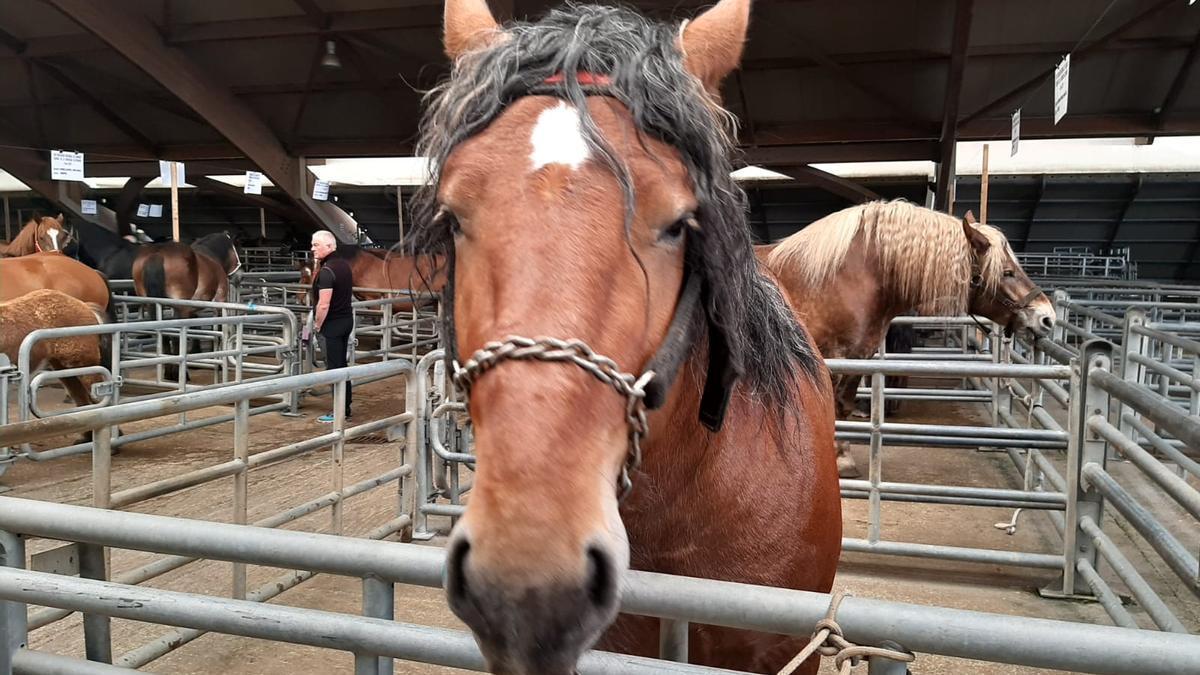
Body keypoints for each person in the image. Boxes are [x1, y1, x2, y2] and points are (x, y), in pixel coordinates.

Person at [310, 230, 354, 422]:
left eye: (316, 245)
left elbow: (324, 304)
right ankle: (345, 406)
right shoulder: (343, 265)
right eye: (312, 244)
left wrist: (317, 325)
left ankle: (339, 411)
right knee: (342, 365)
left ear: (329, 246)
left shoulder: (327, 271)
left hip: (332, 325)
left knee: (334, 368)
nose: (312, 248)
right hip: (346, 320)